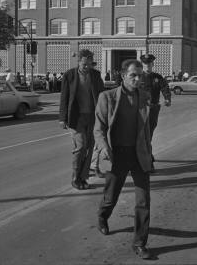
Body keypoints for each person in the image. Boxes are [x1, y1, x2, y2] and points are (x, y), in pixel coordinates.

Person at [94, 59, 154, 260]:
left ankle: (139, 243)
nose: (137, 79)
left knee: (143, 201)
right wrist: (103, 148)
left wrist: (149, 154)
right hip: (116, 155)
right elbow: (99, 128)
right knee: (111, 196)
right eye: (133, 75)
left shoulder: (145, 97)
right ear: (122, 76)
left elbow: (146, 131)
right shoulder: (108, 97)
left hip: (139, 155)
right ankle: (103, 216)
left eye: (140, 75)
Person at [59, 49, 105, 190]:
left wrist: (104, 115)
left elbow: (102, 96)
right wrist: (62, 118)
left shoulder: (96, 75)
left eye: (89, 64)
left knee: (90, 146)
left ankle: (83, 177)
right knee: (80, 147)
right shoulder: (69, 75)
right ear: (78, 62)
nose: (87, 67)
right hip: (76, 117)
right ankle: (75, 178)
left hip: (92, 117)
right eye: (84, 64)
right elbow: (64, 97)